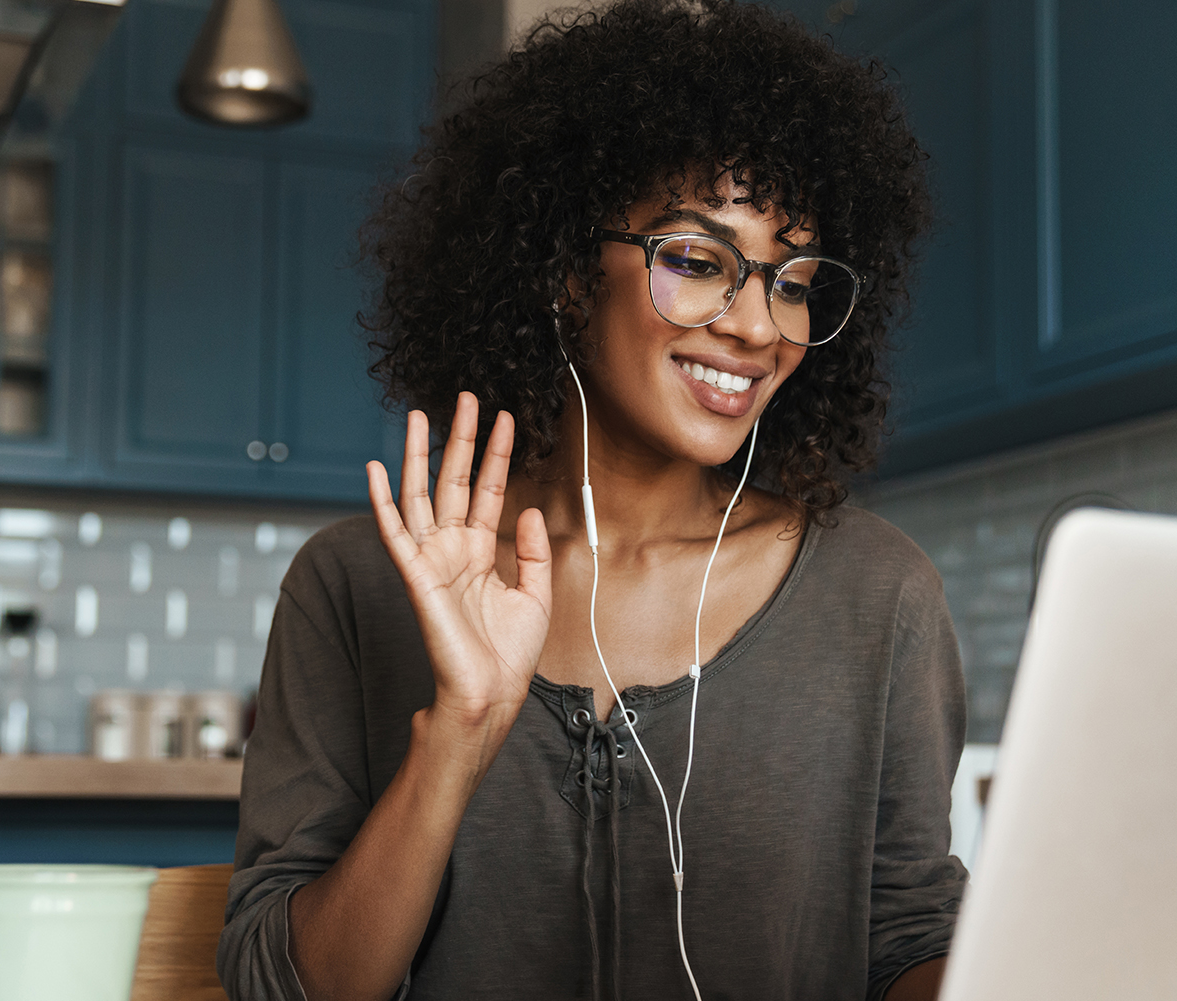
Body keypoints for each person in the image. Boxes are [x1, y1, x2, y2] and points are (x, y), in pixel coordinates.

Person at [217, 2, 967, 999]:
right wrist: (461, 728)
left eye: (792, 280)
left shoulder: (879, 596)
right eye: (700, 261)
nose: (756, 325)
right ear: (569, 272)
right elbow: (283, 985)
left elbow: (911, 941)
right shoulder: (356, 586)